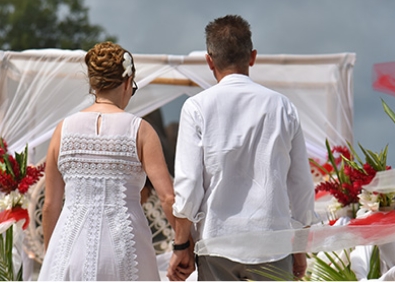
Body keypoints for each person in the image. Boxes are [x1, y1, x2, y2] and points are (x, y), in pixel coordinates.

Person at [167, 15, 316, 281]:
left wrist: (181, 245)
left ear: (209, 60)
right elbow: (301, 185)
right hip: (272, 242)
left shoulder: (197, 107)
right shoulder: (283, 107)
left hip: (218, 242)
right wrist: (299, 246)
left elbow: (189, 187)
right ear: (252, 57)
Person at [38, 41, 176, 281]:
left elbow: (50, 205)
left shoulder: (63, 130)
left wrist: (52, 256)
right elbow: (167, 197)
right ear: (126, 82)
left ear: (93, 84)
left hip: (69, 249)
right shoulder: (141, 130)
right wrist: (184, 243)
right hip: (126, 249)